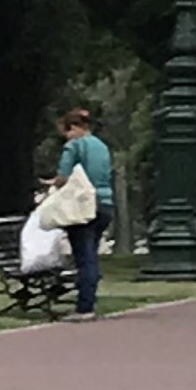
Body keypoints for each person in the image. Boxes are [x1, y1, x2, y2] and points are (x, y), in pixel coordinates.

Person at [53, 109, 114, 318]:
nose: (66, 138)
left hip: (83, 205)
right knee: (92, 254)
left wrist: (53, 183)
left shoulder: (74, 145)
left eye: (66, 133)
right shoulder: (101, 146)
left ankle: (84, 306)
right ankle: (90, 298)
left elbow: (63, 176)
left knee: (83, 256)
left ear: (73, 128)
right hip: (105, 203)